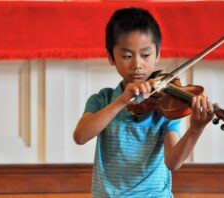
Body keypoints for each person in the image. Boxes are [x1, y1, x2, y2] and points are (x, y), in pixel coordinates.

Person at [73, 7, 214, 198]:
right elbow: (80, 136)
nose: (137, 64)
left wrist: (196, 129)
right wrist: (121, 101)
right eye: (127, 56)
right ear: (111, 58)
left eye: (146, 55)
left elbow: (173, 162)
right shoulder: (102, 100)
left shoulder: (167, 106)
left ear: (157, 55)